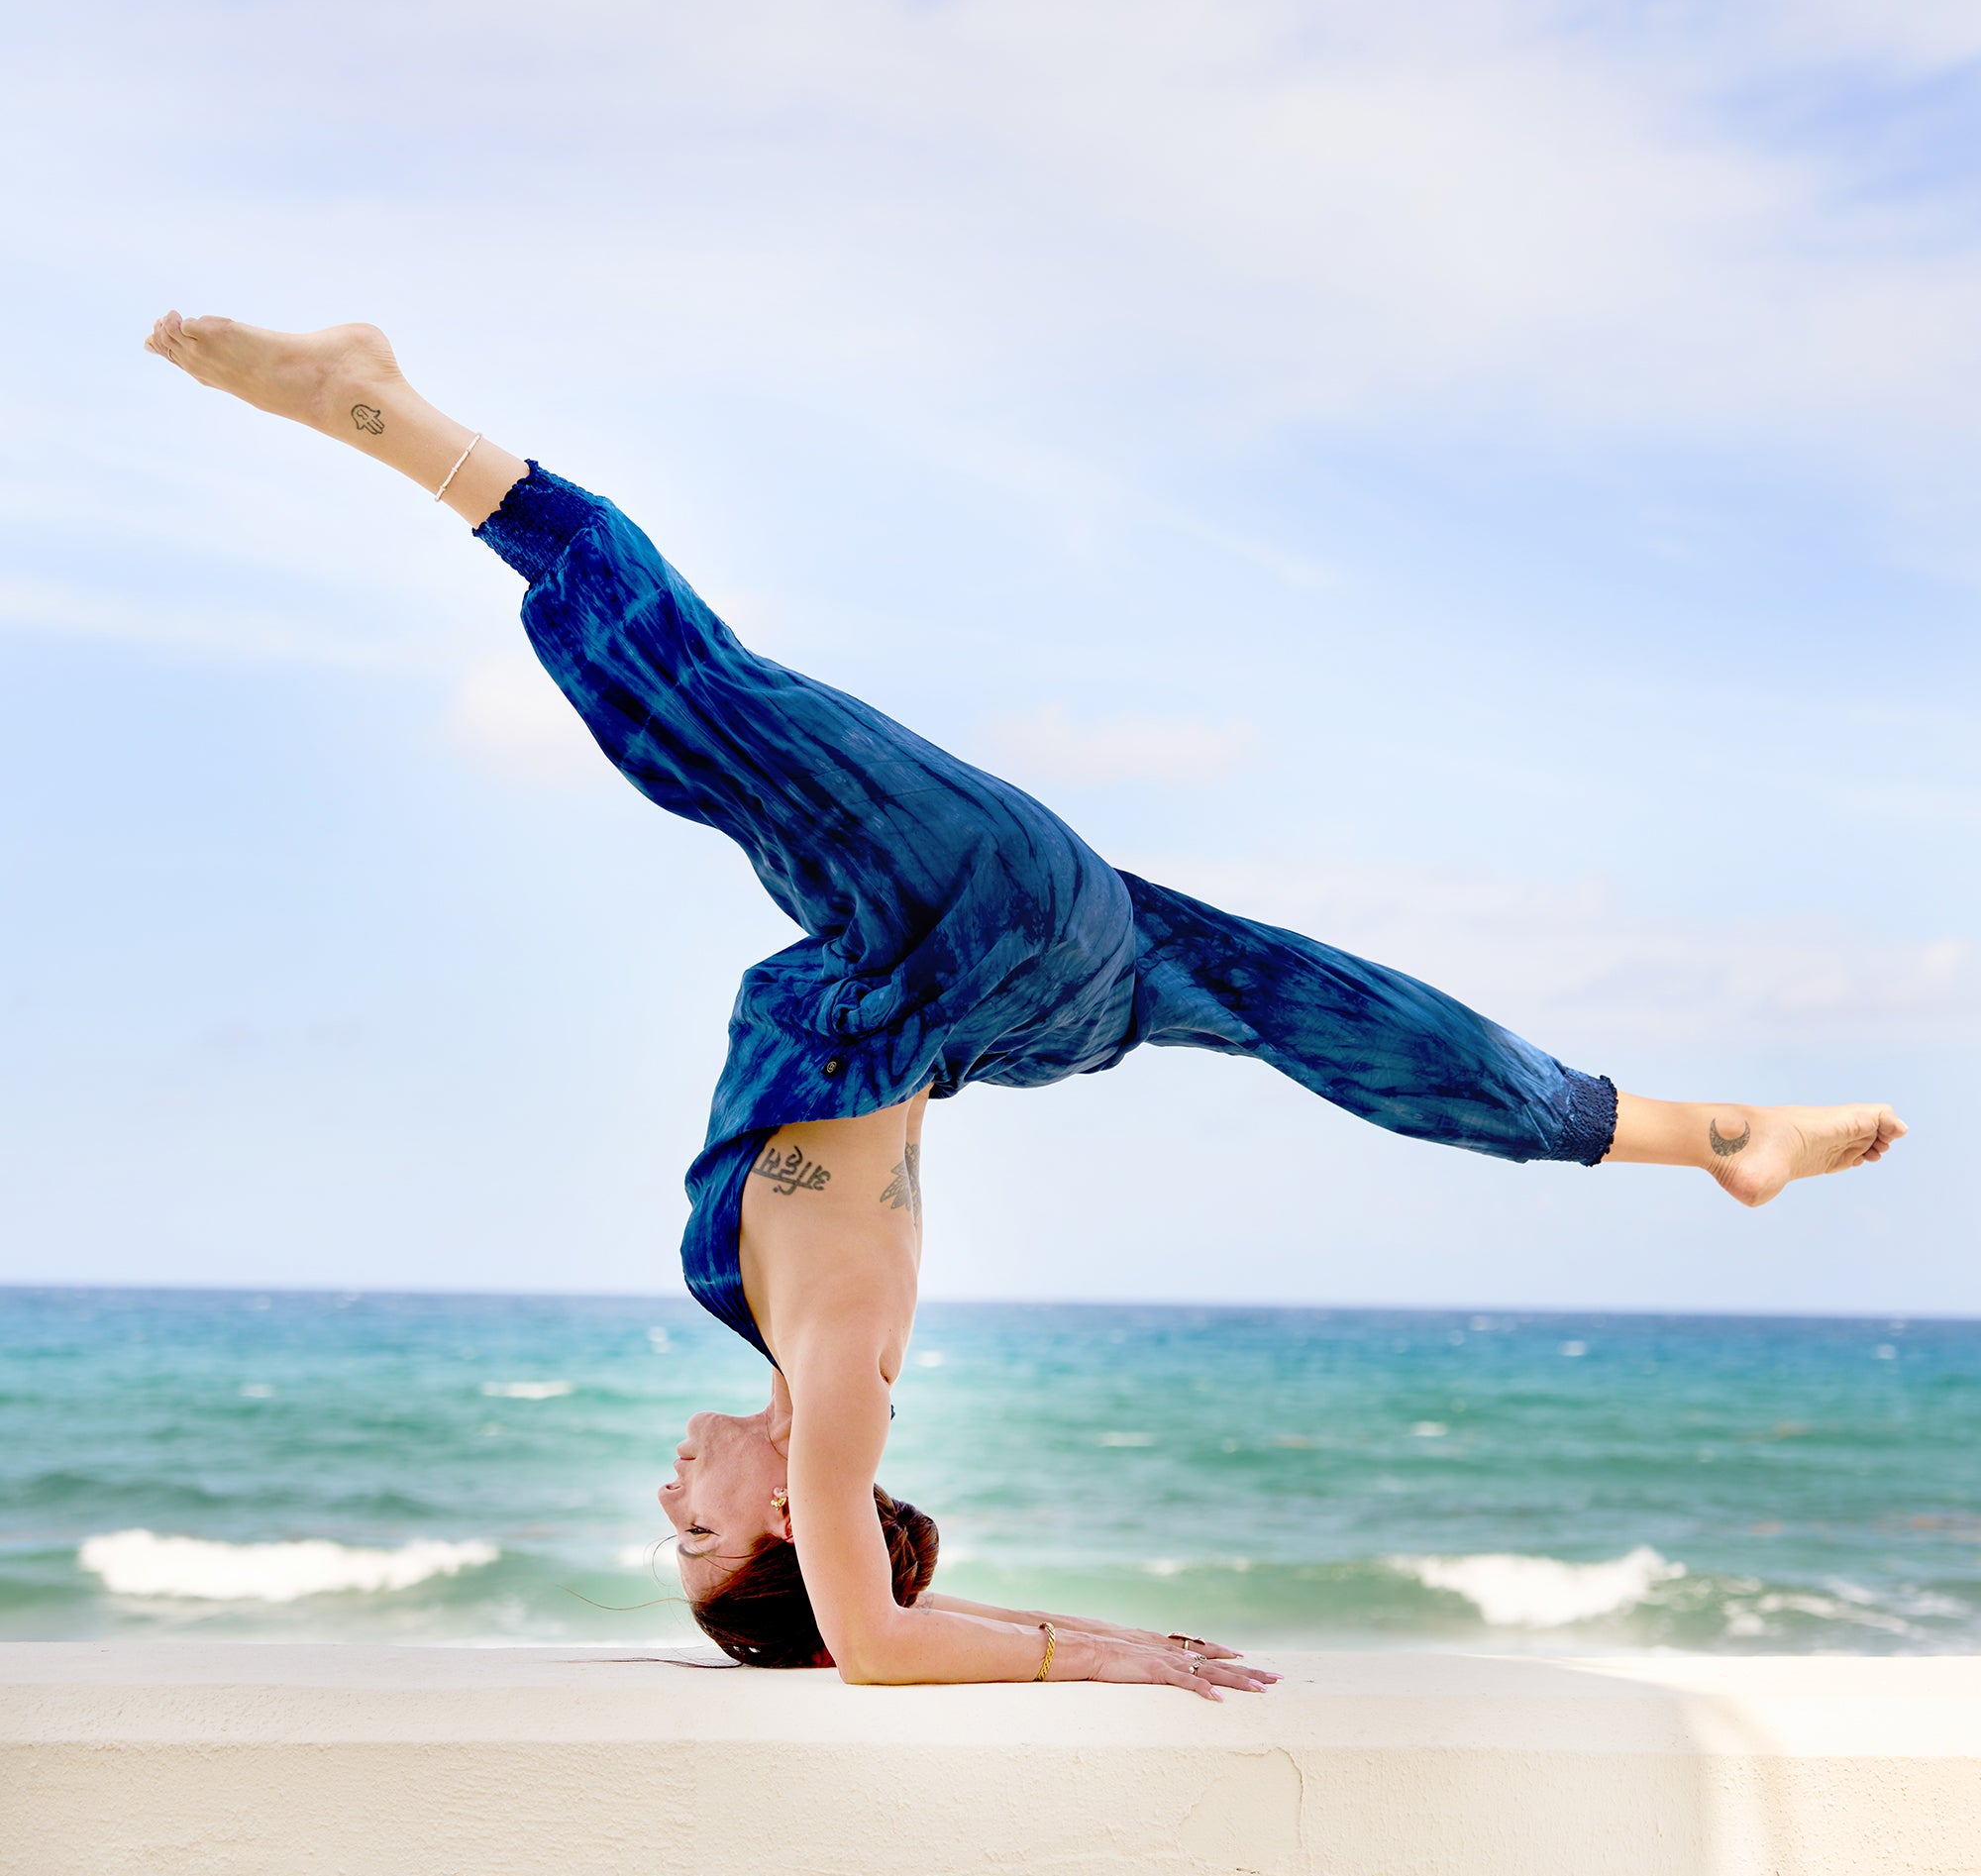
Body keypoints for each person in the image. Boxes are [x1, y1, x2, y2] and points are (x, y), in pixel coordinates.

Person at [145, 313, 1908, 1697]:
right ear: (783, 1526)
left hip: (1017, 1004)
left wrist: (986, 1608)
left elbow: (898, 1602)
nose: (667, 1499)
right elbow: (883, 1642)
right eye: (695, 1535)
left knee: (1345, 1030)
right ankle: (382, 409)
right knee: (691, 700)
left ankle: (1706, 1136)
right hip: (958, 944)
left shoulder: (790, 1337)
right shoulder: (834, 1388)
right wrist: (1092, 1648)